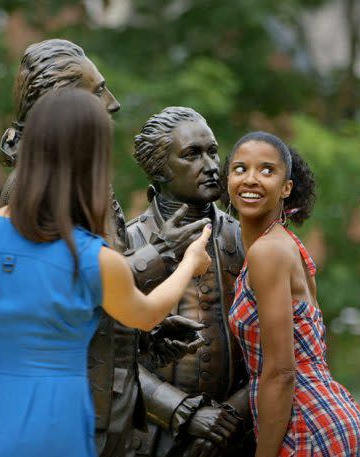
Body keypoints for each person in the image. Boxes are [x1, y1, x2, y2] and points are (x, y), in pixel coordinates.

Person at [0, 88, 212, 457]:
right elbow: (147, 314)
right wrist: (190, 261)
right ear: (92, 161)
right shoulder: (93, 258)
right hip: (54, 429)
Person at [225, 131, 360, 456]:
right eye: (240, 169)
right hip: (328, 415)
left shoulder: (268, 252)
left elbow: (280, 372)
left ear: (286, 188)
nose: (250, 179)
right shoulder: (284, 243)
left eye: (267, 170)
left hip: (305, 425)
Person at [127, 107, 254, 457]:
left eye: (213, 151)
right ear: (159, 168)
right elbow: (109, 353)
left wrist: (230, 416)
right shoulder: (127, 243)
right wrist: (182, 410)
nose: (212, 165)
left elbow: (275, 346)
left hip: (237, 437)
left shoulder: (247, 239)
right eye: (192, 155)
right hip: (151, 438)